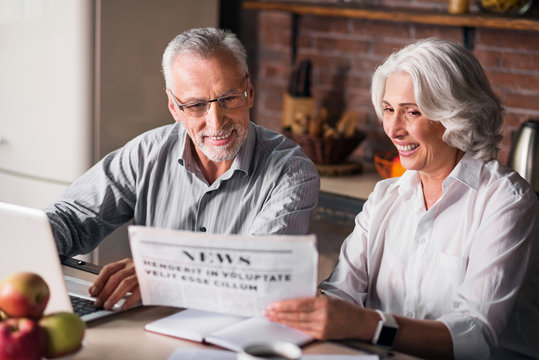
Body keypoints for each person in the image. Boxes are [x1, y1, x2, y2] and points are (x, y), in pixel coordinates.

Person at [263, 38, 538, 360]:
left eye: (412, 112)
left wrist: (369, 324)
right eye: (389, 110)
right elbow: (343, 291)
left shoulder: (506, 201)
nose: (393, 129)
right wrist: (309, 305)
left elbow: (475, 335)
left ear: (455, 115)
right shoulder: (385, 196)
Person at [45, 28, 320, 311]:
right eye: (197, 105)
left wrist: (162, 272)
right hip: (147, 326)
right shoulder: (146, 153)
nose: (216, 123)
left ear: (249, 92)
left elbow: (262, 272)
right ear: (174, 107)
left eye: (228, 99)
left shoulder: (292, 171)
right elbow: (69, 218)